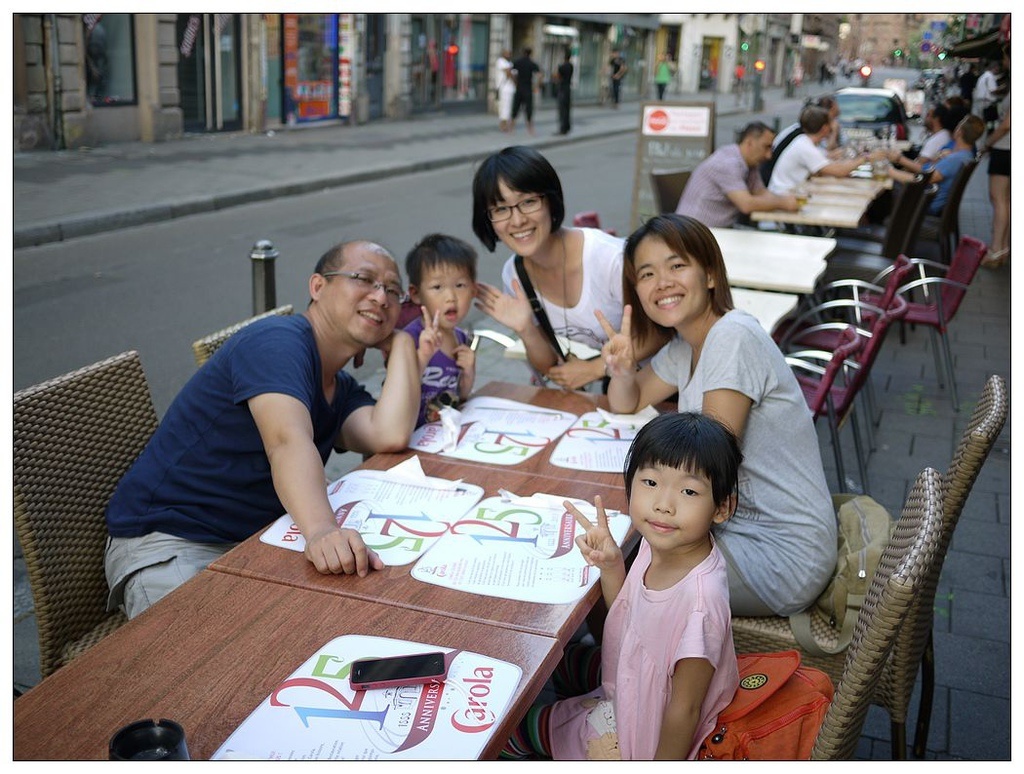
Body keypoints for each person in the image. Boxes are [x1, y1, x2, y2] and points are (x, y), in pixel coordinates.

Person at [104, 241, 421, 619]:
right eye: (364, 279)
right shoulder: (278, 342)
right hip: (173, 543)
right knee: (210, 669)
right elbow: (287, 440)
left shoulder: (338, 384)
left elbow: (388, 434)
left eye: (393, 291)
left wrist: (402, 342)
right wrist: (322, 531)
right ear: (317, 287)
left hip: (256, 543)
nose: (381, 297)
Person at [596, 214, 837, 617]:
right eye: (647, 273)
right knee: (614, 548)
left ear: (709, 275)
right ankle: (601, 659)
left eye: (677, 266)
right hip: (731, 529)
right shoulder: (687, 344)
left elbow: (709, 464)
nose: (663, 283)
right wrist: (622, 371)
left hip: (779, 553)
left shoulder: (732, 337)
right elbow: (628, 401)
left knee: (621, 563)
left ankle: (607, 668)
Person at [502, 411, 742, 760]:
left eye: (689, 491)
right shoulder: (662, 539)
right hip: (634, 679)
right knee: (556, 662)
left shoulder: (701, 605)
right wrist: (613, 564)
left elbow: (684, 712)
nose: (663, 504)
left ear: (722, 508)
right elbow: (629, 616)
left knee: (515, 728)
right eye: (650, 483)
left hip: (639, 732)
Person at [471, 145, 665, 392]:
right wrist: (526, 329)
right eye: (500, 209)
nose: (517, 220)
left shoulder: (609, 259)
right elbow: (549, 365)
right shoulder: (515, 275)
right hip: (622, 385)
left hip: (670, 379)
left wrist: (594, 369)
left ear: (551, 201)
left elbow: (663, 329)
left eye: (528, 202)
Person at [403, 233, 478, 425]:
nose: (451, 297)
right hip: (409, 437)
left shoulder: (461, 339)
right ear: (416, 293)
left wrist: (469, 372)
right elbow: (399, 392)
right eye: (437, 287)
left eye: (460, 285)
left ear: (473, 290)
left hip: (442, 434)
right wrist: (422, 357)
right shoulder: (408, 339)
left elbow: (461, 395)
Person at [676, 121, 799, 228]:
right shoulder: (727, 163)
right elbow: (746, 204)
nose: (769, 155)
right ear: (749, 142)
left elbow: (762, 193)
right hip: (695, 233)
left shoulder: (750, 163)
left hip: (718, 230)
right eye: (766, 147)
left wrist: (789, 201)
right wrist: (784, 203)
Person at [887, 113, 985, 216]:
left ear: (959, 132)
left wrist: (891, 170)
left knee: (888, 192)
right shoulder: (965, 156)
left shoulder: (955, 159)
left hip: (926, 206)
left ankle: (883, 228)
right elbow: (927, 171)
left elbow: (925, 178)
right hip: (933, 203)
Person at [767, 105, 874, 194]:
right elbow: (838, 171)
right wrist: (866, 158)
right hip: (785, 197)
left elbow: (827, 159)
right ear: (824, 128)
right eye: (831, 122)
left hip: (792, 193)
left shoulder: (804, 141)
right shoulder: (804, 147)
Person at [980, 47, 1010, 269]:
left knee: (998, 199)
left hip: (1004, 148)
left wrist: (987, 142)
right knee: (1006, 201)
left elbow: (1007, 124)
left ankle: (996, 249)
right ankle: (1003, 248)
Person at [511, 47, 541, 135]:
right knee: (529, 109)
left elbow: (511, 71)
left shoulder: (518, 62)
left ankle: (511, 128)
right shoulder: (532, 63)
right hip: (528, 88)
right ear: (530, 54)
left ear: (523, 53)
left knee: (515, 108)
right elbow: (540, 74)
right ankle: (530, 130)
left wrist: (515, 82)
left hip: (519, 88)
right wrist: (536, 86)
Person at [972, 58, 1002, 130]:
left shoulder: (984, 76)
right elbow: (993, 90)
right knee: (990, 125)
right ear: (995, 67)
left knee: (984, 123)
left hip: (981, 103)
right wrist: (1003, 89)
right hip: (987, 104)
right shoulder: (990, 76)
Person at [495, 48, 516, 133]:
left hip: (510, 87)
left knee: (508, 106)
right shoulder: (500, 61)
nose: (508, 55)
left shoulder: (509, 63)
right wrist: (514, 80)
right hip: (504, 87)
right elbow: (508, 72)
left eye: (509, 53)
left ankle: (506, 124)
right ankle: (503, 125)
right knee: (504, 106)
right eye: (507, 53)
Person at [554, 49, 574, 135]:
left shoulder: (562, 66)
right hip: (568, 88)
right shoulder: (571, 66)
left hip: (562, 88)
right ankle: (567, 126)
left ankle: (563, 129)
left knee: (562, 110)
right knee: (567, 109)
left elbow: (557, 76)